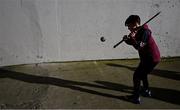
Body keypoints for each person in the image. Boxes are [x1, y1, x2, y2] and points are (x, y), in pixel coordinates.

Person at [123, 15, 160, 104]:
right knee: (143, 74)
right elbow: (135, 43)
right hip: (146, 58)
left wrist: (132, 38)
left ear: (135, 23)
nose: (128, 28)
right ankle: (146, 91)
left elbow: (139, 46)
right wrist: (127, 40)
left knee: (137, 76)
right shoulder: (138, 31)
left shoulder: (145, 32)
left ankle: (136, 97)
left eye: (129, 26)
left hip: (151, 59)